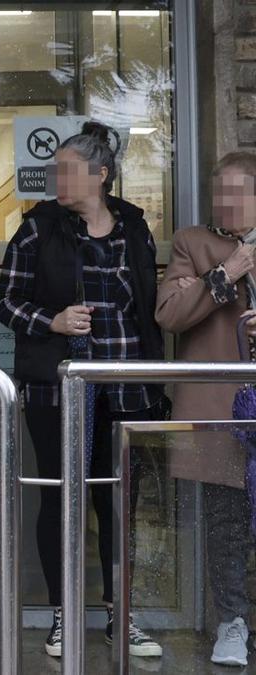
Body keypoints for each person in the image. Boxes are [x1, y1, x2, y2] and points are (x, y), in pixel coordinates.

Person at [0, 121, 163, 659]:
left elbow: (147, 304)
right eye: (54, 170)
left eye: (68, 170)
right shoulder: (37, 228)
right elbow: (7, 302)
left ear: (101, 175)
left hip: (126, 386)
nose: (57, 179)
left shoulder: (134, 228)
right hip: (59, 387)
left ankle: (121, 615)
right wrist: (53, 321)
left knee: (117, 501)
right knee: (58, 499)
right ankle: (62, 613)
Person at [155, 152, 256, 667]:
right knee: (226, 522)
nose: (228, 204)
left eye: (239, 194)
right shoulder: (192, 243)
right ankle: (231, 624)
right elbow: (170, 313)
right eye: (221, 194)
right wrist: (226, 274)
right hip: (222, 408)